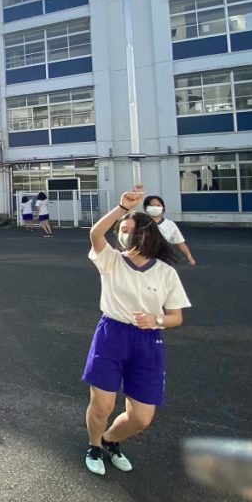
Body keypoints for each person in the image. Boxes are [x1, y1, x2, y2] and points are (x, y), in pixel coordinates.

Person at [82, 184, 191, 476]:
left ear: (147, 234)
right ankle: (94, 445)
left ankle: (110, 439)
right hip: (111, 335)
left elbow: (176, 317)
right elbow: (95, 234)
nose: (125, 235)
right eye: (122, 230)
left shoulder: (166, 273)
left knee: (141, 418)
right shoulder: (111, 261)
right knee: (102, 405)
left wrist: (156, 321)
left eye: (131, 230)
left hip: (147, 342)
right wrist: (122, 208)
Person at [143, 196, 196, 266]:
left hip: (162, 259)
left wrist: (189, 256)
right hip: (142, 258)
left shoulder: (170, 224)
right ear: (146, 208)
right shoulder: (140, 222)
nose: (155, 208)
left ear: (163, 207)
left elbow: (180, 242)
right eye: (151, 205)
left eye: (158, 205)